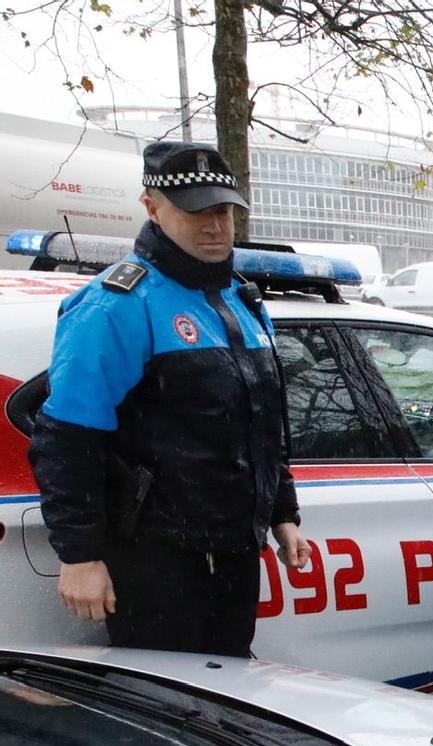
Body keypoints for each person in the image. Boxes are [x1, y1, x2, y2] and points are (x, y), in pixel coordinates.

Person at [28, 140, 307, 657]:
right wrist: (80, 556)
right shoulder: (117, 306)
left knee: (228, 702)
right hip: (156, 559)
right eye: (195, 211)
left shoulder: (241, 300)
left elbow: (264, 423)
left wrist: (281, 513)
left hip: (233, 552)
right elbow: (66, 438)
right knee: (168, 720)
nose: (215, 226)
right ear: (152, 207)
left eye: (223, 210)